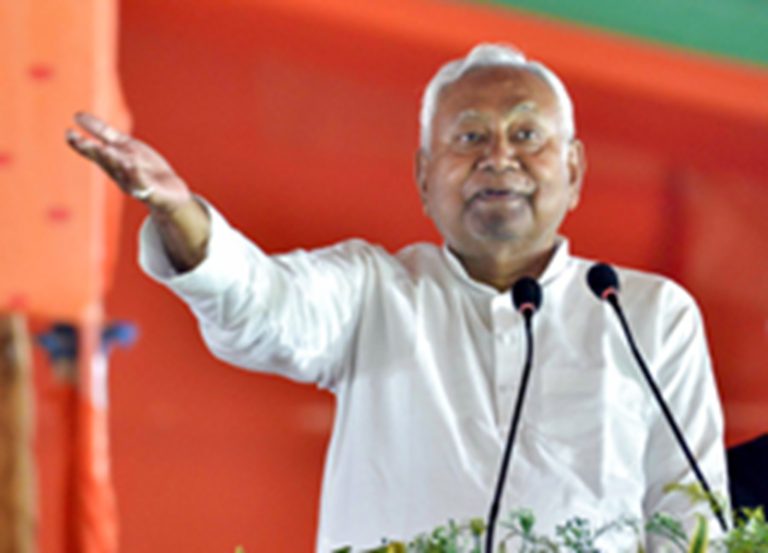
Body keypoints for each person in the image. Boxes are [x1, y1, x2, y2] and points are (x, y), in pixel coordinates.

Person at [67, 44, 729, 552]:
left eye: (527, 135)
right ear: (423, 177)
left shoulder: (646, 313)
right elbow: (262, 303)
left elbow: (693, 518)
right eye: (469, 137)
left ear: (575, 169)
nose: (499, 157)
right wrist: (179, 212)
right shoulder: (373, 295)